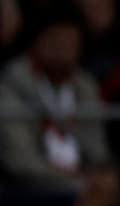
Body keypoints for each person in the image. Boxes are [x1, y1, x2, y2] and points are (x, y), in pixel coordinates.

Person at [0, 16, 109, 189]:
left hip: (83, 187)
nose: (63, 50)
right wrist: (73, 181)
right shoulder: (12, 83)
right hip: (26, 190)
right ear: (37, 41)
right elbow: (18, 157)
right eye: (55, 41)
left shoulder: (85, 86)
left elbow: (97, 150)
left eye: (71, 44)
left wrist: (96, 178)